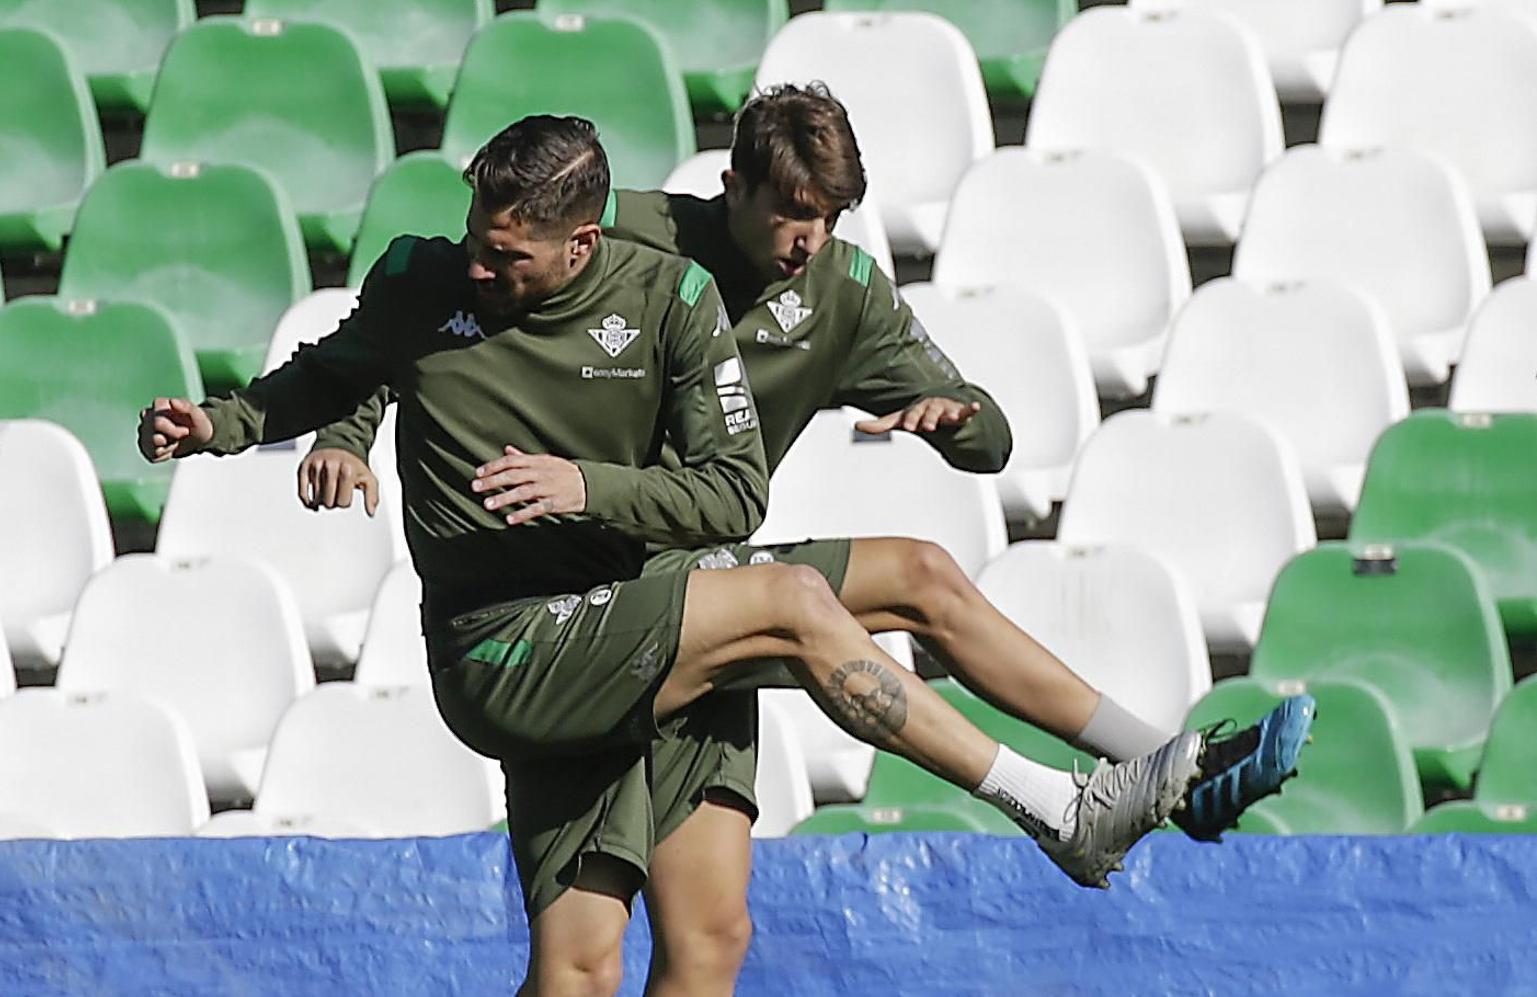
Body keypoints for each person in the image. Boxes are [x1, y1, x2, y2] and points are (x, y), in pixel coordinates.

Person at [140, 115, 1206, 997]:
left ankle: (1158, 759)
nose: (479, 261)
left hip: (647, 610)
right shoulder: (427, 281)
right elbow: (336, 368)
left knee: (624, 963)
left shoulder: (669, 299)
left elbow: (736, 491)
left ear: (579, 243)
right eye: (478, 236)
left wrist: (585, 484)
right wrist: (227, 424)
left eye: (506, 252)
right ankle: (1058, 807)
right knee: (789, 598)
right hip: (510, 645)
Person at [301, 83, 1314, 843]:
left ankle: (1167, 767)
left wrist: (951, 422)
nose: (807, 241)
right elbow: (441, 318)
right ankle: (1056, 807)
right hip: (572, 601)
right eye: (790, 213)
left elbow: (997, 439)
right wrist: (345, 435)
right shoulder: (629, 238)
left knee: (917, 576)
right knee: (581, 968)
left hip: (696, 582)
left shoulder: (844, 291)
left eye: (828, 217)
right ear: (729, 186)